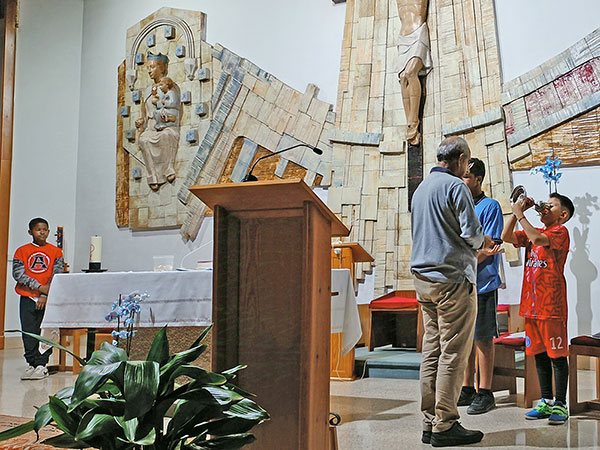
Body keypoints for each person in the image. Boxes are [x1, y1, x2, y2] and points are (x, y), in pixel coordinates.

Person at [411, 136, 492, 447]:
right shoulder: (456, 186)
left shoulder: (422, 188)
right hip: (452, 280)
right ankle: (446, 423)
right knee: (453, 353)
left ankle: (428, 422)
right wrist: (482, 244)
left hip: (423, 280)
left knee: (431, 351)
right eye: (466, 162)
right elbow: (472, 234)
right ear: (459, 160)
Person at [502, 192, 574, 425]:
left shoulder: (559, 232)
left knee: (557, 355)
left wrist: (521, 215)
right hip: (531, 306)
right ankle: (545, 400)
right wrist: (515, 212)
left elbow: (539, 241)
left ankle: (561, 405)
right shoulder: (536, 231)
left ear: (562, 215)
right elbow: (506, 235)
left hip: (551, 306)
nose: (544, 208)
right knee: (539, 356)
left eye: (550, 206)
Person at [459, 158, 504, 414]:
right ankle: (467, 387)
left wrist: (469, 259)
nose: (463, 181)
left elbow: (491, 246)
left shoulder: (490, 206)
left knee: (483, 337)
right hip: (462, 281)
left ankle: (485, 391)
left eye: (466, 176)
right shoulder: (460, 205)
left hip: (483, 280)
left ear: (478, 179)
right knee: (465, 337)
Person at [12, 218, 64, 380]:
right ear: (30, 232)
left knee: (46, 331)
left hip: (47, 298)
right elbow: (18, 274)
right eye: (38, 229)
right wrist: (39, 288)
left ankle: (42, 364)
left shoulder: (56, 252)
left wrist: (44, 294)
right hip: (27, 297)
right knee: (28, 331)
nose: (42, 232)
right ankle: (31, 363)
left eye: (45, 229)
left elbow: (57, 274)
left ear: (48, 232)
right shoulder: (22, 251)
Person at [135, 52, 180, 190]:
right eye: (148, 67)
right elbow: (143, 110)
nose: (149, 70)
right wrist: (140, 120)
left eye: (153, 67)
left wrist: (161, 105)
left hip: (167, 125)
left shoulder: (170, 86)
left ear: (162, 68)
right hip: (150, 127)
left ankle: (169, 169)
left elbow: (175, 107)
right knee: (144, 140)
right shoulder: (148, 90)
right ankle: (153, 176)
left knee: (166, 136)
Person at [396, 0, 433, 146]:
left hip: (418, 32)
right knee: (403, 77)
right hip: (403, 37)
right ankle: (410, 123)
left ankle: (414, 121)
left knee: (411, 72)